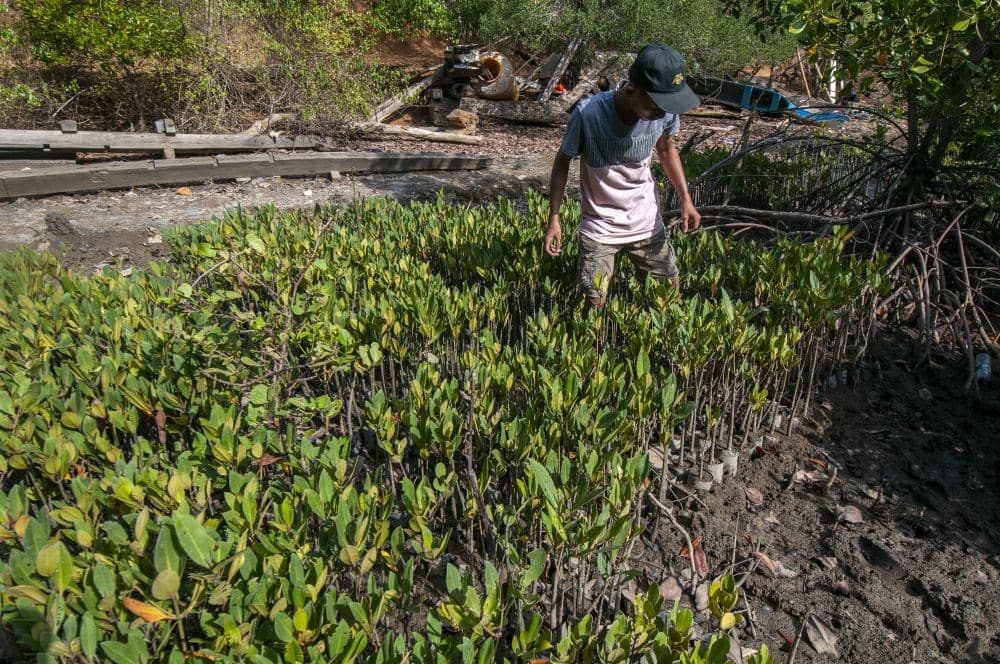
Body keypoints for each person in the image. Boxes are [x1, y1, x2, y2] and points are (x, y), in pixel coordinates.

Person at [544, 44, 702, 306]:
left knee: (669, 298)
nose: (663, 113)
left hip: (646, 223)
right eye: (657, 105)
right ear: (631, 89)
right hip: (600, 227)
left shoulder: (665, 112)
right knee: (593, 304)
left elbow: (666, 149)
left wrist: (686, 198)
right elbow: (562, 162)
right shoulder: (588, 114)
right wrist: (555, 218)